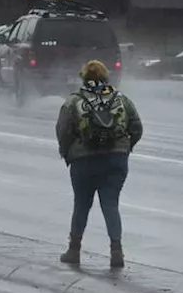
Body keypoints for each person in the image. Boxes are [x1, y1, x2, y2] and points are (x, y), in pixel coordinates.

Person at [55, 60, 143, 268]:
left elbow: (63, 130)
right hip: (116, 160)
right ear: (106, 77)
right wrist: (124, 147)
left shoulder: (74, 101)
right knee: (111, 205)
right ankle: (116, 252)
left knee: (82, 205)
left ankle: (74, 250)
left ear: (84, 77)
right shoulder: (121, 99)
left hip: (84, 161)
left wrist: (68, 152)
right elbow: (137, 127)